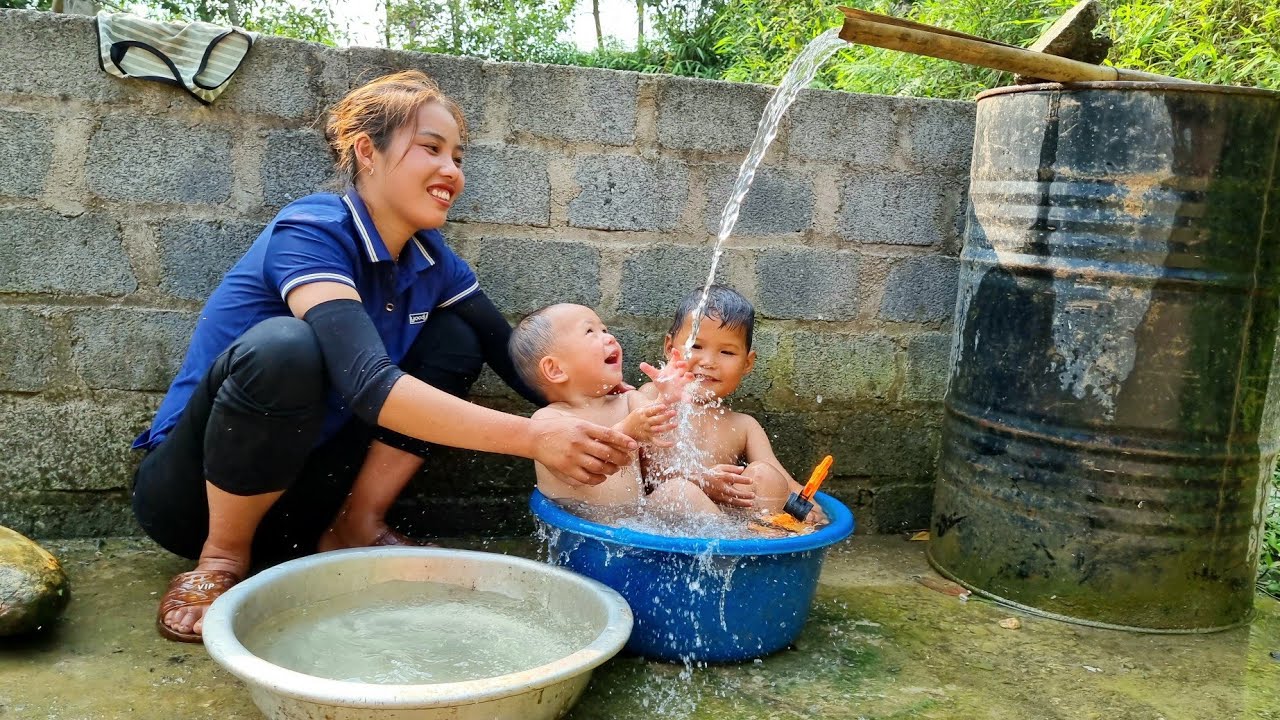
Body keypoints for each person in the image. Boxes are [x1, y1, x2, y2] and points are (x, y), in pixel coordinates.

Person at [131, 71, 639, 644]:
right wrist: (534, 438)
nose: (452, 171)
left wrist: (627, 408)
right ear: (367, 152)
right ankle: (220, 560)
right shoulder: (313, 230)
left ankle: (356, 524)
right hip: (194, 494)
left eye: (457, 155)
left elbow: (519, 361)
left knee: (457, 339)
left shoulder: (433, 259)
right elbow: (368, 383)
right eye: (431, 148)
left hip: (306, 500)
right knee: (285, 348)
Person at [637, 285, 824, 521]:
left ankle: (756, 545)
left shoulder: (743, 426)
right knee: (679, 492)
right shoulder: (652, 397)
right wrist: (702, 480)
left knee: (767, 476)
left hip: (724, 520)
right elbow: (642, 470)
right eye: (696, 346)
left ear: (747, 363)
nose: (708, 361)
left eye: (726, 352)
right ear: (669, 348)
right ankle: (729, 549)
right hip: (665, 516)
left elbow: (784, 481)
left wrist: (808, 507)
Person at [507, 304, 714, 513]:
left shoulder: (629, 401)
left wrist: (667, 398)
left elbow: (665, 431)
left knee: (678, 491)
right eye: (590, 331)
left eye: (605, 330)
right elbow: (583, 458)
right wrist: (626, 430)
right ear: (555, 369)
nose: (610, 337)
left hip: (636, 523)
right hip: (585, 531)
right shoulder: (547, 420)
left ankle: (732, 542)